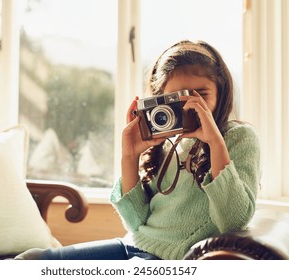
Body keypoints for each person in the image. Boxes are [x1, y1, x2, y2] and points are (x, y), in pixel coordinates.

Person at [15, 40, 261, 260]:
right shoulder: (167, 142)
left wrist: (215, 143)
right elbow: (135, 223)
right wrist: (130, 156)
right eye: (176, 98)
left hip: (167, 259)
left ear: (222, 92)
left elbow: (234, 221)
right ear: (161, 99)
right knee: (32, 259)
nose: (189, 106)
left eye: (200, 95)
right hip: (131, 245)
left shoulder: (239, 137)